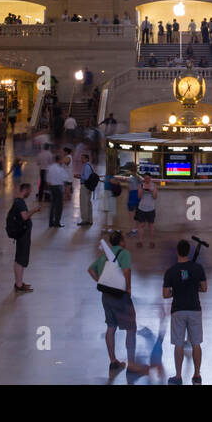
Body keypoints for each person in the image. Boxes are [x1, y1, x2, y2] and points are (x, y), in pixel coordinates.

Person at [88, 230, 138, 373]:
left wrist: (101, 281)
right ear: (122, 241)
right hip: (120, 296)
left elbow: (90, 270)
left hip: (106, 296)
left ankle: (113, 361)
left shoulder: (105, 255)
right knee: (131, 328)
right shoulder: (124, 253)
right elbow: (126, 271)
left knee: (111, 327)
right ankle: (132, 364)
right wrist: (128, 288)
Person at [162, 238, 207, 385]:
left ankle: (178, 376)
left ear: (177, 252)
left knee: (179, 344)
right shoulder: (198, 268)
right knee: (196, 343)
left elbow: (165, 294)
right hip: (194, 308)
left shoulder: (170, 271)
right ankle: (197, 375)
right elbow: (204, 288)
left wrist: (175, 292)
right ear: (188, 251)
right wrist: (194, 288)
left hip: (178, 310)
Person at [8, 184, 38, 292]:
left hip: (21, 234)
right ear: (24, 190)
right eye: (29, 191)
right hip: (23, 235)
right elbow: (25, 216)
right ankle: (19, 285)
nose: (30, 193)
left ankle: (19, 282)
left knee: (18, 259)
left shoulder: (17, 201)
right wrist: (34, 210)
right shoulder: (20, 203)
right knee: (21, 260)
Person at [46, 153, 69, 228]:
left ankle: (51, 222)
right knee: (59, 206)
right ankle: (57, 222)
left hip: (51, 187)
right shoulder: (60, 168)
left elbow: (47, 179)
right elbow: (65, 178)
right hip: (58, 188)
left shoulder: (50, 167)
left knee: (52, 205)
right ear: (59, 160)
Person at [135, 175, 158, 248]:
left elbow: (155, 197)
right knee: (141, 225)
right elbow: (139, 197)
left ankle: (151, 241)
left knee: (151, 226)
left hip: (151, 208)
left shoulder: (154, 185)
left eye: (148, 178)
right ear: (144, 179)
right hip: (142, 208)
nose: (147, 179)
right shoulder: (141, 185)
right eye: (145, 178)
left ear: (150, 178)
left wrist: (151, 190)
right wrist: (142, 190)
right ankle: (140, 241)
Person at [78, 155, 97, 227]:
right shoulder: (90, 166)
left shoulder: (86, 166)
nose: (81, 159)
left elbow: (86, 177)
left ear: (86, 159)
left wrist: (79, 176)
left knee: (84, 203)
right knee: (88, 203)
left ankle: (84, 220)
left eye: (82, 158)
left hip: (85, 186)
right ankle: (90, 220)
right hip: (89, 187)